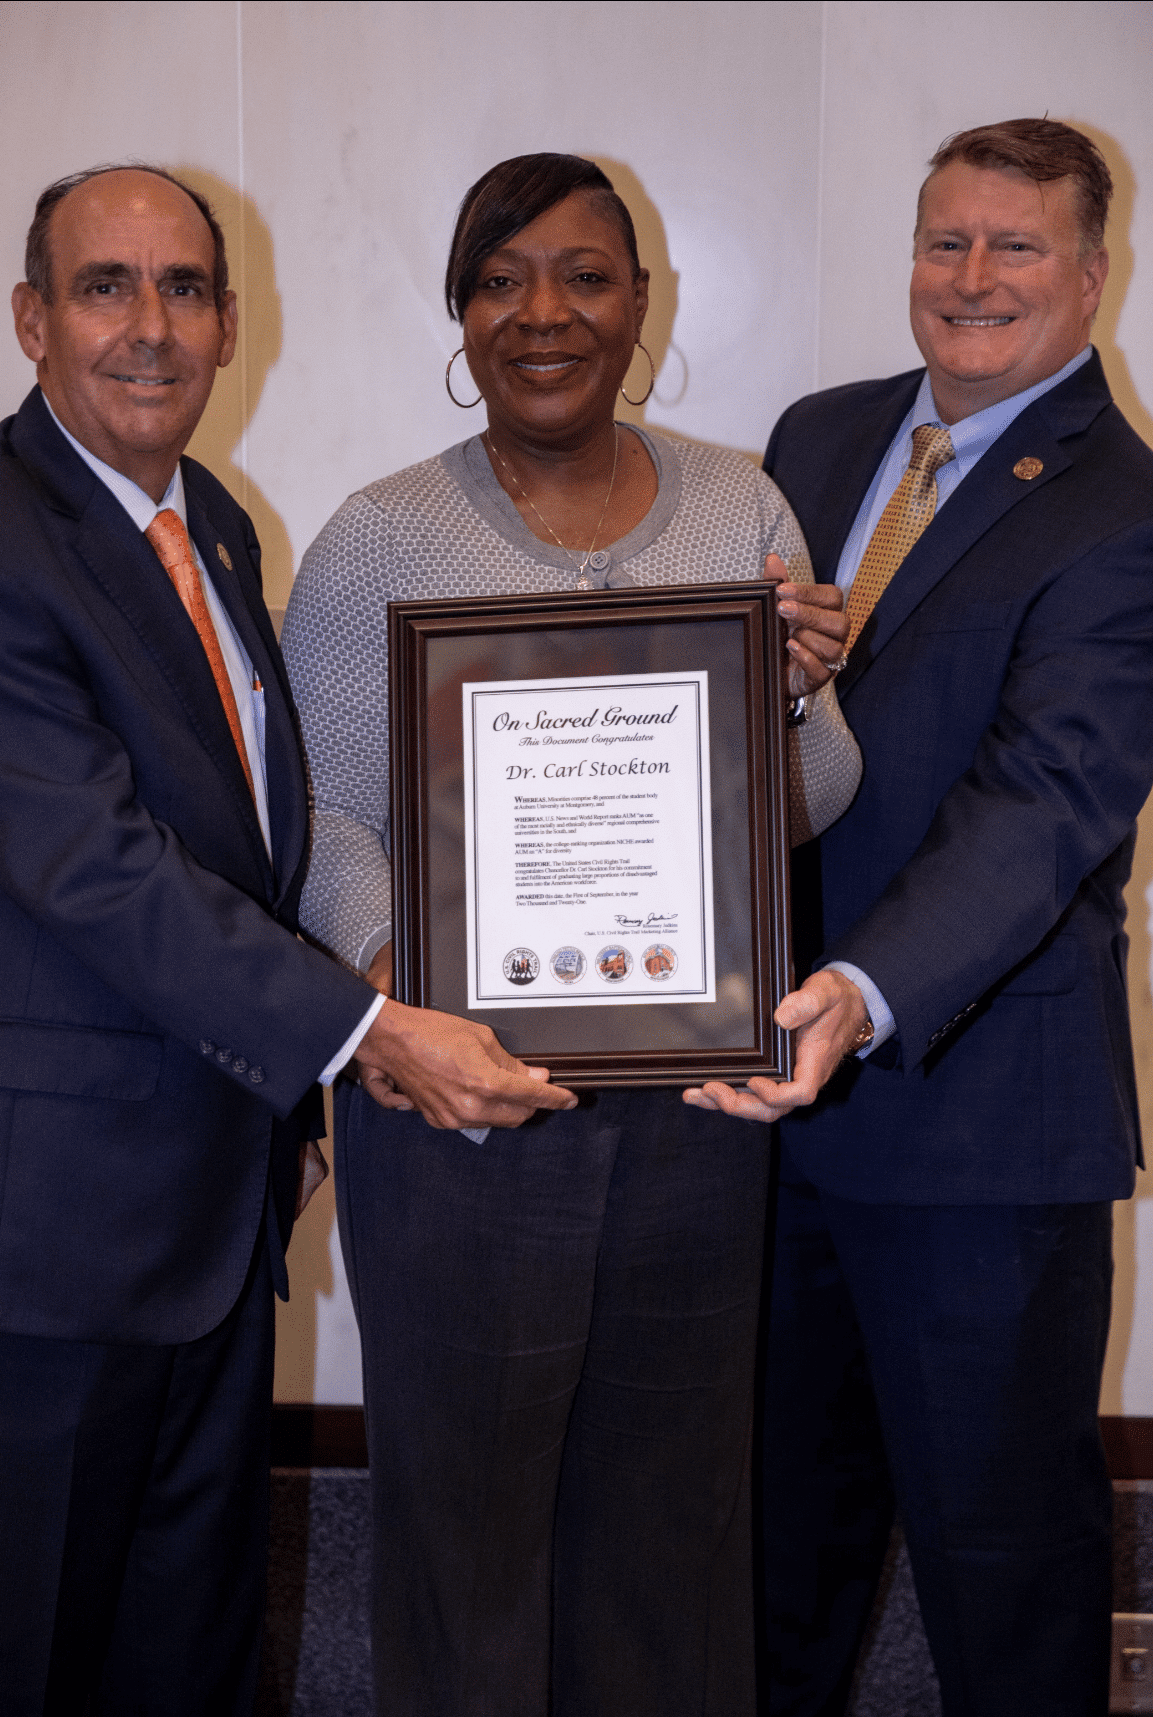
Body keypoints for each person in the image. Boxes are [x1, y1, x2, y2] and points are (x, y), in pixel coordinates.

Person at [0, 163, 575, 1717]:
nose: (152, 328)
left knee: (186, 1651)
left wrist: (352, 1013)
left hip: (206, 1222)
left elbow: (248, 841)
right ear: (30, 320)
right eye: (106, 287)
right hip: (35, 1250)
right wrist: (365, 1034)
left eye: (186, 289)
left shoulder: (209, 524)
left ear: (229, 324)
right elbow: (95, 867)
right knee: (10, 1661)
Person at [281, 152, 861, 1716]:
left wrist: (795, 692)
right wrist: (405, 986)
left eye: (587, 276)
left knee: (676, 1520)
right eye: (502, 278)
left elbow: (797, 806)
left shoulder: (745, 507)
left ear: (642, 306)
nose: (544, 313)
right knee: (463, 1535)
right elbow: (320, 819)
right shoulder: (378, 540)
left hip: (690, 1119)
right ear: (460, 315)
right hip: (456, 1116)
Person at [694, 119, 1153, 1716]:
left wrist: (862, 990)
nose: (971, 279)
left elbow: (1048, 805)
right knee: (772, 1538)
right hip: (763, 1106)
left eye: (1015, 247)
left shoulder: (1122, 510)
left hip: (974, 1126)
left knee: (1000, 1560)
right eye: (945, 241)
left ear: (1092, 276)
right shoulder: (813, 441)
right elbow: (738, 734)